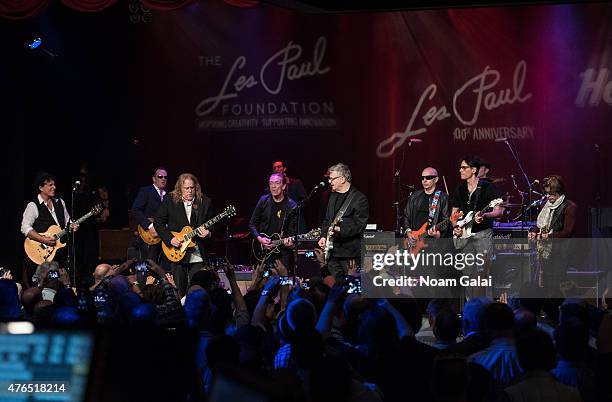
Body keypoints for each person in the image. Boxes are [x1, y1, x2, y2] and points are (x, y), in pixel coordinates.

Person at [451, 156, 504, 298]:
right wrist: (456, 225)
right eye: (460, 167)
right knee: (467, 274)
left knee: (483, 273)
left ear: (473, 170)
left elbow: (499, 211)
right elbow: (454, 214)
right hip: (464, 236)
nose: (460, 170)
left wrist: (485, 216)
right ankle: (470, 307)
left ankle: (485, 308)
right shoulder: (460, 189)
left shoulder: (488, 187)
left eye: (464, 168)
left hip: (482, 235)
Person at [154, 173, 213, 297]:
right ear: (180, 188)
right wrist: (170, 239)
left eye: (192, 188)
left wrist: (208, 233)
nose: (190, 191)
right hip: (177, 251)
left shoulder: (205, 202)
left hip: (197, 253)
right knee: (179, 289)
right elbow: (158, 222)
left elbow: (212, 224)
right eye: (187, 188)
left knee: (197, 289)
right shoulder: (170, 200)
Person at [21, 172, 79, 280]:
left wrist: (73, 226)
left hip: (61, 252)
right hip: (44, 254)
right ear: (41, 187)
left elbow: (68, 222)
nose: (54, 187)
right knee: (48, 282)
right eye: (50, 185)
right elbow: (25, 228)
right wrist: (43, 240)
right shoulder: (33, 205)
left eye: (54, 184)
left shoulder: (60, 202)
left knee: (65, 279)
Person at [318, 163, 369, 280]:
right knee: (335, 287)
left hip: (349, 254)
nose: (329, 182)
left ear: (342, 179)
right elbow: (327, 219)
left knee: (349, 288)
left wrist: (340, 230)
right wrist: (323, 236)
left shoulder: (359, 198)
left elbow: (359, 226)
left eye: (332, 179)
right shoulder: (332, 196)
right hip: (332, 253)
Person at [528, 175, 576, 298]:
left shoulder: (569, 207)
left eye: (551, 193)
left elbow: (567, 231)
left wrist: (548, 236)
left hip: (560, 252)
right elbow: (539, 224)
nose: (548, 196)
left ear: (559, 191)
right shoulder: (546, 204)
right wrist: (534, 231)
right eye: (547, 193)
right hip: (545, 251)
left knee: (557, 283)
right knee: (546, 282)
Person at [249, 173, 297, 269]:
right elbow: (252, 224)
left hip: (281, 251)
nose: (273, 186)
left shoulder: (291, 206)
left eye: (277, 183)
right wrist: (260, 239)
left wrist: (291, 244)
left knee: (282, 280)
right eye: (271, 183)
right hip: (262, 249)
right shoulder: (263, 200)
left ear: (283, 186)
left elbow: (293, 230)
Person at [130, 167, 168, 261]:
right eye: (160, 176)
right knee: (151, 262)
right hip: (149, 236)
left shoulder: (169, 195)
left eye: (165, 177)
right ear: (154, 178)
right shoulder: (146, 191)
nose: (163, 179)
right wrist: (149, 225)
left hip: (164, 235)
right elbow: (135, 209)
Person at [403, 167, 451, 240]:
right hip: (415, 239)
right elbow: (407, 216)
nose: (424, 180)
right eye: (423, 178)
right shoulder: (414, 196)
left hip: (432, 243)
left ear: (436, 179)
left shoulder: (443, 197)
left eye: (428, 177)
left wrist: (438, 235)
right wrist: (408, 231)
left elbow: (447, 221)